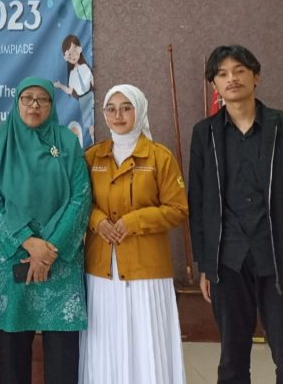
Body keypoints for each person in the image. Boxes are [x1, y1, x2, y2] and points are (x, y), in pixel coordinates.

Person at [188, 45, 283, 384]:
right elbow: (199, 204)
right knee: (231, 361)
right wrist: (205, 265)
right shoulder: (204, 133)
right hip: (227, 261)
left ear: (256, 76)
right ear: (214, 85)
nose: (231, 78)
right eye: (222, 74)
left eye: (239, 70)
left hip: (281, 260)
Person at [0, 77, 92, 384]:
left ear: (52, 105)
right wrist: (29, 242)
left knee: (62, 349)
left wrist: (50, 248)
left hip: (60, 257)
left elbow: (81, 197)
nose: (34, 105)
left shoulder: (67, 142)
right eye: (27, 98)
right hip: (14, 254)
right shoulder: (2, 141)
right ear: (17, 103)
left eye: (42, 99)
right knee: (13, 348)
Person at [79, 84, 188, 383]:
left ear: (139, 111)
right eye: (111, 109)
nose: (118, 115)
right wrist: (97, 220)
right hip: (101, 268)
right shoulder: (93, 156)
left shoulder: (159, 157)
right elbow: (78, 201)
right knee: (106, 341)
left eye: (126, 108)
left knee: (146, 340)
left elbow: (178, 209)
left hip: (146, 269)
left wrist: (134, 221)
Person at [53, 34, 94, 146]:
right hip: (83, 100)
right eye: (69, 55)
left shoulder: (85, 67)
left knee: (96, 120)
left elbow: (92, 80)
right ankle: (92, 143)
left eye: (75, 51)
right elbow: (70, 90)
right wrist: (60, 86)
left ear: (79, 49)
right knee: (90, 126)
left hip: (92, 96)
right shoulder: (71, 74)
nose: (73, 56)